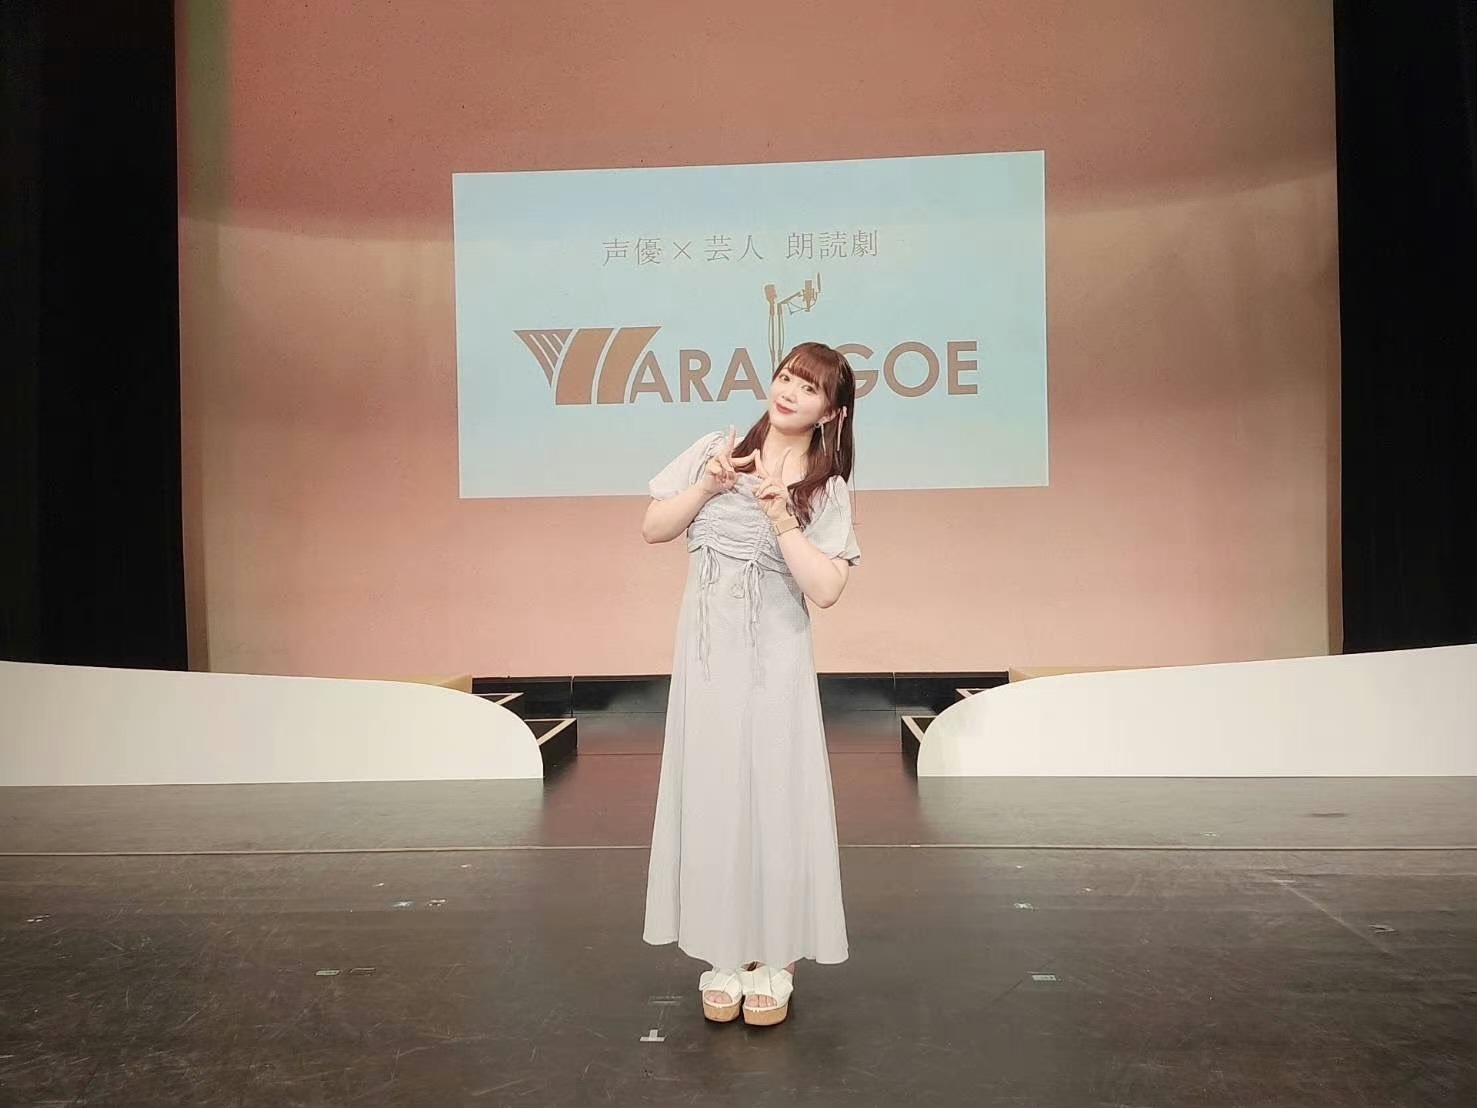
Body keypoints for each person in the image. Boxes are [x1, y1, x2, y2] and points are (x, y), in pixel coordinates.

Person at [640, 341, 861, 1027]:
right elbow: (653, 527)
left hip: (775, 662)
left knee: (774, 795)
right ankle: (724, 951)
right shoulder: (720, 449)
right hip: (708, 663)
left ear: (832, 411)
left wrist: (781, 516)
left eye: (810, 387)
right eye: (786, 377)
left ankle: (776, 958)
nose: (789, 391)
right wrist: (707, 486)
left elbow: (826, 588)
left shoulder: (826, 488)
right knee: (713, 793)